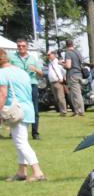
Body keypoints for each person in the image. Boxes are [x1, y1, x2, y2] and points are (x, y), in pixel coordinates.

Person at [0, 49, 46, 181]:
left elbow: (3, 94)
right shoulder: (22, 72)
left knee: (21, 142)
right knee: (20, 140)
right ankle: (22, 172)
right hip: (27, 109)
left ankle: (38, 172)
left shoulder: (2, 73)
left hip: (15, 110)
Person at [12, 39, 44, 139]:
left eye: (23, 46)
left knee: (34, 109)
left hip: (31, 85)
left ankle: (35, 132)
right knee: (16, 109)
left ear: (27, 47)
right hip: (17, 86)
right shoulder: (12, 58)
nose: (21, 48)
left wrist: (35, 69)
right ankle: (16, 130)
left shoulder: (33, 59)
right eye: (19, 46)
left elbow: (41, 74)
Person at [62, 40, 85, 116]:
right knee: (78, 93)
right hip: (79, 74)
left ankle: (79, 111)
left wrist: (61, 64)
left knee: (75, 94)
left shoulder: (68, 53)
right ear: (73, 44)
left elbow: (68, 66)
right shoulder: (78, 52)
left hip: (72, 74)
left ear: (66, 45)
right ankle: (78, 110)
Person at [45, 49, 69, 116]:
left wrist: (62, 78)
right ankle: (61, 111)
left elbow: (63, 71)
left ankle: (64, 111)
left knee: (60, 97)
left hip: (58, 81)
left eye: (49, 54)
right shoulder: (50, 63)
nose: (48, 56)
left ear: (54, 55)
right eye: (48, 55)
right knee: (57, 98)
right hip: (52, 82)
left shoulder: (58, 62)